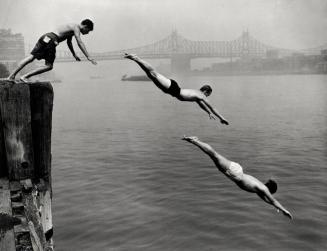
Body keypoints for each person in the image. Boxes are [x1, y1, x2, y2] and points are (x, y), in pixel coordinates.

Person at [182, 136, 293, 219]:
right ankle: (195, 141)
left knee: (214, 156)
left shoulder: (260, 189)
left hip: (235, 172)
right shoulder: (263, 189)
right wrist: (284, 210)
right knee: (214, 155)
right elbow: (273, 200)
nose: (269, 195)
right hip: (235, 172)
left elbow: (267, 200)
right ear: (269, 190)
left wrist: (276, 207)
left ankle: (196, 141)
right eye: (270, 193)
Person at [124, 53, 229, 125]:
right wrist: (221, 118)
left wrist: (208, 113)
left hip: (171, 90)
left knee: (150, 75)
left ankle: (136, 59)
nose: (206, 97)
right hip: (173, 88)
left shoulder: (197, 96)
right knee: (153, 73)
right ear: (206, 91)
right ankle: (136, 58)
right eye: (208, 95)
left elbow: (202, 105)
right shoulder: (201, 95)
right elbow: (212, 107)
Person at [7, 19, 97, 82]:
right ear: (85, 26)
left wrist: (74, 54)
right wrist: (88, 56)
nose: (87, 33)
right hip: (52, 40)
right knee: (49, 66)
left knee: (31, 57)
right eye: (88, 31)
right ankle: (25, 76)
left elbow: (69, 42)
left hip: (46, 36)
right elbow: (79, 42)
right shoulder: (76, 28)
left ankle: (11, 76)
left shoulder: (71, 27)